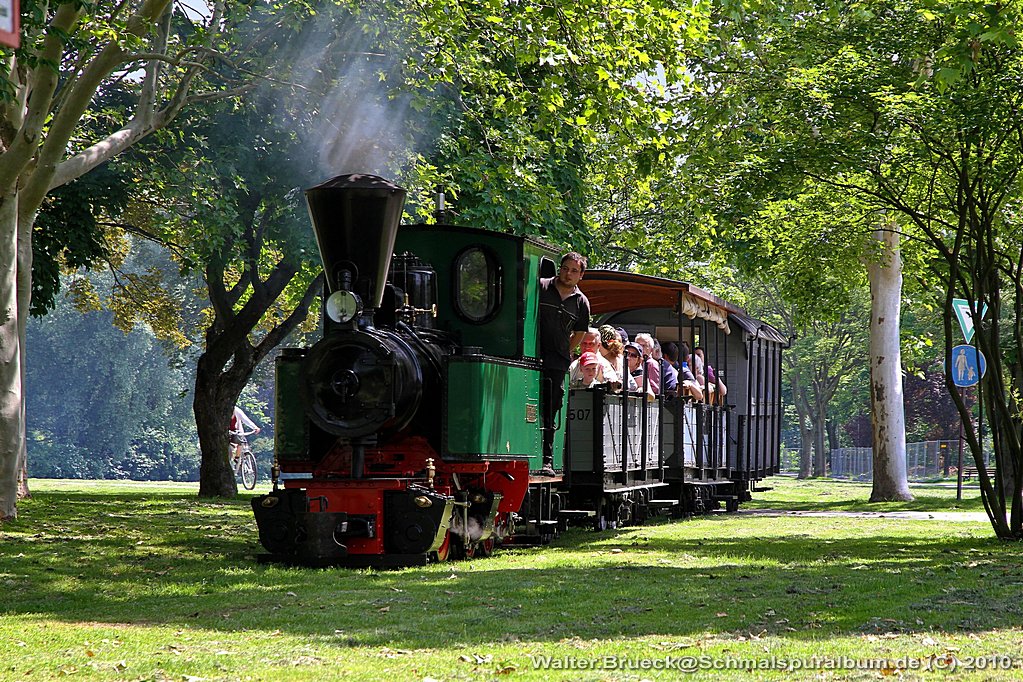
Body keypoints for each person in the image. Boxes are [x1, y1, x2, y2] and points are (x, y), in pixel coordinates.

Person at [538, 252, 591, 476]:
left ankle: (547, 459)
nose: (568, 274)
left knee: (551, 405)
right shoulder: (541, 286)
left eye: (574, 271)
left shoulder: (581, 302)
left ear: (581, 275)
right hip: (533, 352)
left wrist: (565, 351)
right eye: (565, 268)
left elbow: (580, 332)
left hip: (557, 360)